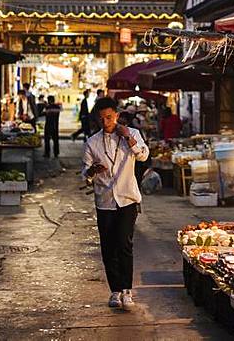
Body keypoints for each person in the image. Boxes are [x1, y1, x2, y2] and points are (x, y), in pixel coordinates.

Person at [82, 96, 149, 311]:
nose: (106, 122)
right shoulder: (92, 142)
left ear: (117, 116)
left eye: (109, 117)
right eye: (101, 119)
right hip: (105, 201)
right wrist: (92, 171)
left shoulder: (133, 134)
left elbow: (143, 156)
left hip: (128, 198)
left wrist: (128, 137)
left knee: (124, 243)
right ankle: (115, 290)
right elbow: (85, 174)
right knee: (108, 247)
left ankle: (127, 290)